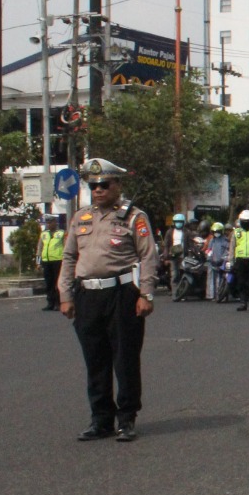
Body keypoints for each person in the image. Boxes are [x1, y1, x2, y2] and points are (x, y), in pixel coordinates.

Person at [58, 158, 158, 442]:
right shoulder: (81, 217)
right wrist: (65, 295)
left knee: (125, 358)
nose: (99, 190)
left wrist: (146, 294)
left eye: (105, 184)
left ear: (117, 185)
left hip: (122, 293)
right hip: (87, 294)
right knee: (95, 359)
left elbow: (148, 256)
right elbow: (69, 257)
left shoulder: (133, 217)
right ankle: (100, 419)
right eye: (94, 186)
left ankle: (126, 419)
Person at [39, 214, 66, 311]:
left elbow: (66, 246)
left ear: (55, 222)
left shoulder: (62, 233)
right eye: (47, 223)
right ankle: (50, 303)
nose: (48, 224)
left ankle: (58, 303)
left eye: (51, 222)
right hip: (46, 261)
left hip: (58, 261)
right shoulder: (44, 234)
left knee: (57, 283)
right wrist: (39, 261)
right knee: (49, 283)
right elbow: (40, 248)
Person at [206, 222, 230, 301]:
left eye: (218, 232)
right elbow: (209, 250)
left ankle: (221, 295)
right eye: (215, 232)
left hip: (222, 262)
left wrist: (223, 259)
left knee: (222, 279)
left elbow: (227, 251)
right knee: (211, 279)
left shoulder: (226, 241)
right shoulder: (212, 241)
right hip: (212, 262)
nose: (216, 233)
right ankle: (211, 295)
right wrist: (209, 258)